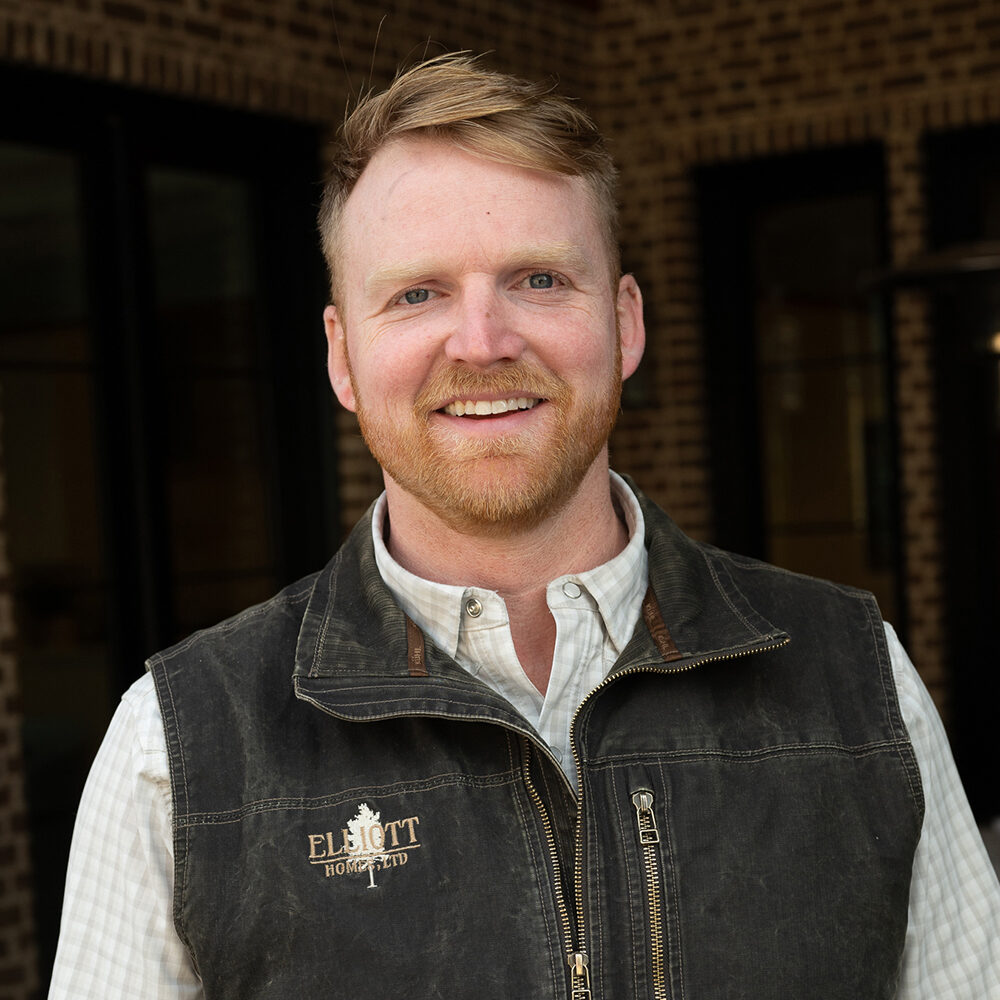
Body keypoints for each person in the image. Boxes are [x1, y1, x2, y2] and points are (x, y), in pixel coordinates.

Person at [50, 53, 999, 999]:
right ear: (343, 357)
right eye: (417, 293)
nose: (482, 341)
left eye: (539, 279)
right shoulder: (176, 752)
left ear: (625, 325)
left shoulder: (859, 683)